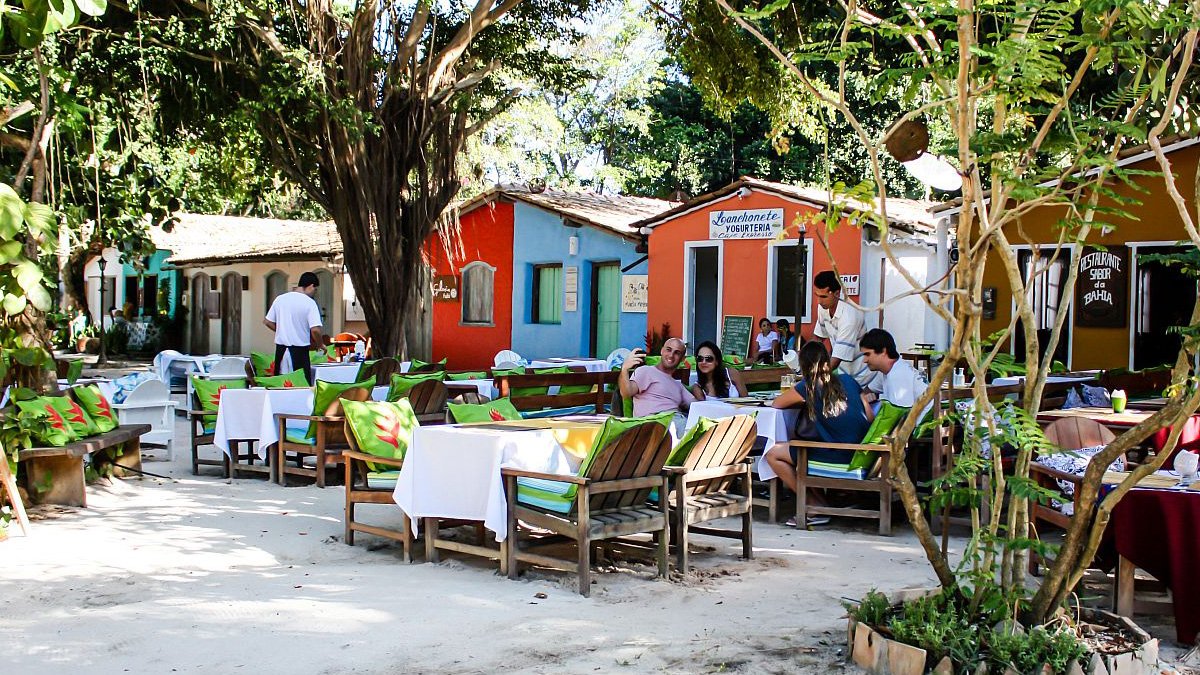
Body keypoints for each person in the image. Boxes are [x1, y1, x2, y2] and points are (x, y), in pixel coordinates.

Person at [764, 341, 875, 527]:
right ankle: (820, 502)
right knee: (802, 446)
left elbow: (777, 404)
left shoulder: (808, 386)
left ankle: (812, 504)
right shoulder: (848, 380)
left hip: (841, 458)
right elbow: (869, 417)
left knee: (773, 454)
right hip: (861, 453)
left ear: (804, 365)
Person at [811, 270, 878, 391]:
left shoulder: (850, 316)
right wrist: (806, 360)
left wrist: (816, 377)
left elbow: (836, 358)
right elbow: (818, 338)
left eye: (823, 297)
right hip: (843, 372)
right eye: (817, 296)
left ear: (837, 293)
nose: (819, 301)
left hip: (862, 374)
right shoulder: (823, 307)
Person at [619, 337, 695, 432]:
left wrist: (696, 388)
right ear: (662, 351)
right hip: (654, 424)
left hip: (677, 422)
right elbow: (626, 392)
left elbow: (697, 406)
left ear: (683, 359)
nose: (671, 355)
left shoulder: (678, 385)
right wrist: (624, 369)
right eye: (668, 350)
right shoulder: (646, 371)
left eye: (677, 353)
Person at [263, 271, 324, 383]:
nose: (314, 292)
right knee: (301, 386)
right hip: (299, 352)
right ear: (311, 286)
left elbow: (267, 322)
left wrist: (281, 330)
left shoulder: (280, 299)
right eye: (315, 289)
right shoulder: (309, 303)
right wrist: (320, 344)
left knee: (280, 384)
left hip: (281, 351)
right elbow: (315, 330)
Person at [859, 328, 929, 414]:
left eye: (867, 354)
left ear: (883, 351)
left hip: (923, 425)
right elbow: (867, 391)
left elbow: (901, 418)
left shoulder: (898, 376)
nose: (864, 360)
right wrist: (868, 396)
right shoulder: (889, 370)